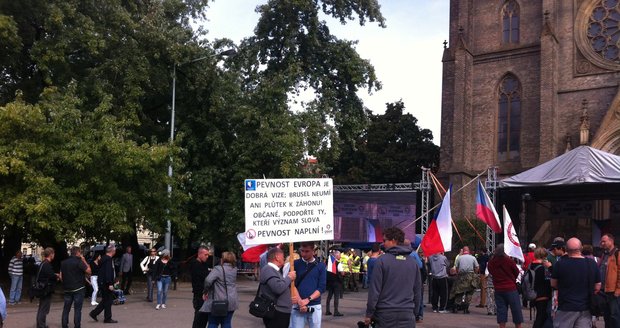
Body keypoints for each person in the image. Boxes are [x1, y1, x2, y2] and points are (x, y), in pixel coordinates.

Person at [365, 227, 422, 328]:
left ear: (394, 240)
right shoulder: (413, 263)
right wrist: (415, 312)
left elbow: (374, 291)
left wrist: (369, 314)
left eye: (385, 240)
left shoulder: (381, 261)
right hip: (407, 313)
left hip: (385, 314)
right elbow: (418, 291)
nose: (383, 244)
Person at [551, 237, 601, 328]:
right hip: (585, 308)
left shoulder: (560, 264)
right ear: (581, 248)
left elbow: (553, 284)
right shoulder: (591, 264)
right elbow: (597, 286)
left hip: (565, 307)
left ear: (566, 249)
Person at [290, 241, 327, 328]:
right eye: (302, 251)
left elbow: (322, 287)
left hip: (314, 304)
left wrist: (308, 299)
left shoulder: (321, 266)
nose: (304, 254)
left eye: (307, 251)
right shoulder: (295, 264)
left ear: (313, 251)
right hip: (298, 306)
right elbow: (292, 284)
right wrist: (300, 301)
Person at [487, 244, 523, 328]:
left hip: (498, 288)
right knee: (516, 309)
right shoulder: (508, 261)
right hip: (510, 288)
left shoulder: (491, 262)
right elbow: (516, 272)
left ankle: (502, 326)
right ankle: (518, 326)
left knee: (501, 310)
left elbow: (491, 272)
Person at [260, 247, 296, 328]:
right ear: (277, 257)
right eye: (283, 256)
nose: (284, 258)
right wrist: (289, 277)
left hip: (280, 311)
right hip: (277, 312)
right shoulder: (269, 270)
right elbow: (278, 288)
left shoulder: (273, 270)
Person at [200, 251, 238, 328]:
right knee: (226, 323)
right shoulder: (234, 269)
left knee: (213, 323)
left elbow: (208, 280)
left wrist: (205, 291)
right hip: (231, 300)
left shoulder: (218, 269)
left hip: (218, 300)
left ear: (223, 259)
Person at [60, 246, 91, 328]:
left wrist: (66, 283)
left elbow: (61, 276)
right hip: (79, 288)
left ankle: (64, 325)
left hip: (67, 288)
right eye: (80, 252)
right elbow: (89, 271)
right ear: (78, 253)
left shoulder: (63, 262)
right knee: (77, 309)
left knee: (66, 309)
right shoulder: (79, 261)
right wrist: (84, 260)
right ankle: (77, 326)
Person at [89, 245, 118, 324]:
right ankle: (107, 318)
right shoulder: (108, 259)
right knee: (108, 300)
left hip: (102, 282)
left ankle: (94, 313)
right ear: (112, 251)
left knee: (105, 300)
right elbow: (108, 272)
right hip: (106, 283)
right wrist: (110, 283)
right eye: (115, 250)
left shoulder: (103, 258)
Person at [599, 233, 620, 328]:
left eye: (604, 241)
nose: (602, 243)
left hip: (613, 292)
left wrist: (618, 290)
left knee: (614, 316)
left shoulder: (617, 254)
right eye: (601, 241)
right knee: (607, 316)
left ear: (611, 241)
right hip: (604, 291)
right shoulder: (604, 255)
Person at [451, 246, 479, 314]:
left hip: (461, 276)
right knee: (469, 292)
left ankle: (456, 307)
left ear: (463, 251)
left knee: (459, 292)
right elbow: (477, 267)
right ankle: (466, 308)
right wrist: (475, 274)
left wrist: (458, 273)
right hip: (470, 276)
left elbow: (456, 268)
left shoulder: (459, 258)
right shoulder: (473, 258)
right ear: (468, 251)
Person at [36, 247, 58, 328]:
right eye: (53, 254)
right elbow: (51, 275)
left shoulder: (43, 263)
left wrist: (54, 275)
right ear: (51, 254)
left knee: (42, 307)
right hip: (45, 289)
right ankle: (41, 325)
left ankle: (40, 324)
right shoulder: (47, 264)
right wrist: (57, 276)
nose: (54, 255)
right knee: (44, 308)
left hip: (42, 288)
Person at [530, 247, 552, 328]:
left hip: (533, 293)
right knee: (541, 317)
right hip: (543, 294)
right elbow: (547, 281)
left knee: (539, 315)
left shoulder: (531, 265)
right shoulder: (543, 268)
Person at [191, 247, 210, 328]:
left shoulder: (204, 264)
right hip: (199, 295)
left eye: (208, 255)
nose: (207, 256)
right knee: (199, 319)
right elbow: (204, 277)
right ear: (200, 254)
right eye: (205, 254)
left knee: (204, 319)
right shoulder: (195, 264)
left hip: (205, 295)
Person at [325, 250, 344, 316]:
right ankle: (336, 311)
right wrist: (343, 273)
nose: (340, 256)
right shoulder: (339, 263)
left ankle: (327, 310)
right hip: (337, 282)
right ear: (337, 255)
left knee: (329, 296)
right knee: (336, 296)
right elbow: (342, 272)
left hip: (330, 282)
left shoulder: (329, 263)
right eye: (340, 255)